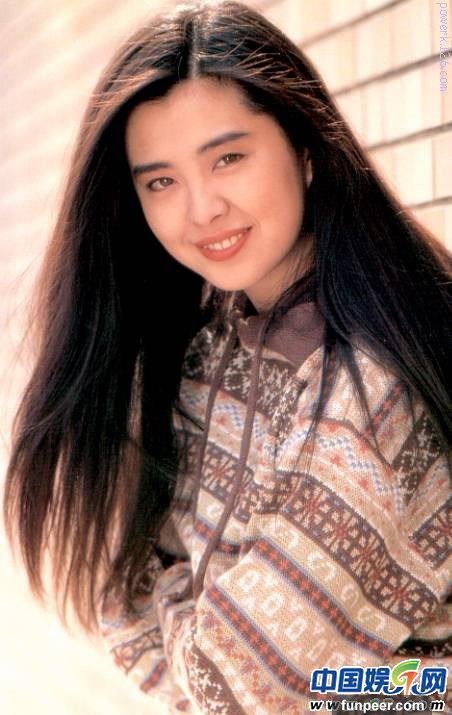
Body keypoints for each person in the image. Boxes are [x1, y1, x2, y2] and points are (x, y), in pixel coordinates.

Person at [3, 1, 451, 712]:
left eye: (229, 158)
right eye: (161, 181)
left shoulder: (366, 390)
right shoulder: (209, 346)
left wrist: (401, 689)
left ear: (305, 149)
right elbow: (116, 602)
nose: (202, 209)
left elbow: (235, 684)